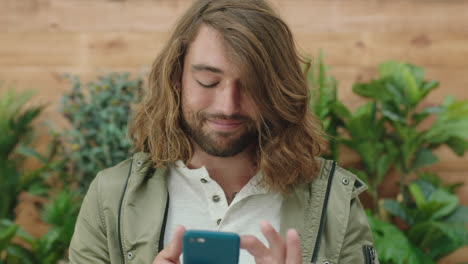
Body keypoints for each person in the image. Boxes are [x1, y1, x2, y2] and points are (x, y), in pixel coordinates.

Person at [69, 0, 378, 263]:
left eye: (252, 85)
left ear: (277, 90)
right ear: (177, 78)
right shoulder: (110, 198)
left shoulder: (334, 202)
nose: (228, 106)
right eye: (208, 81)